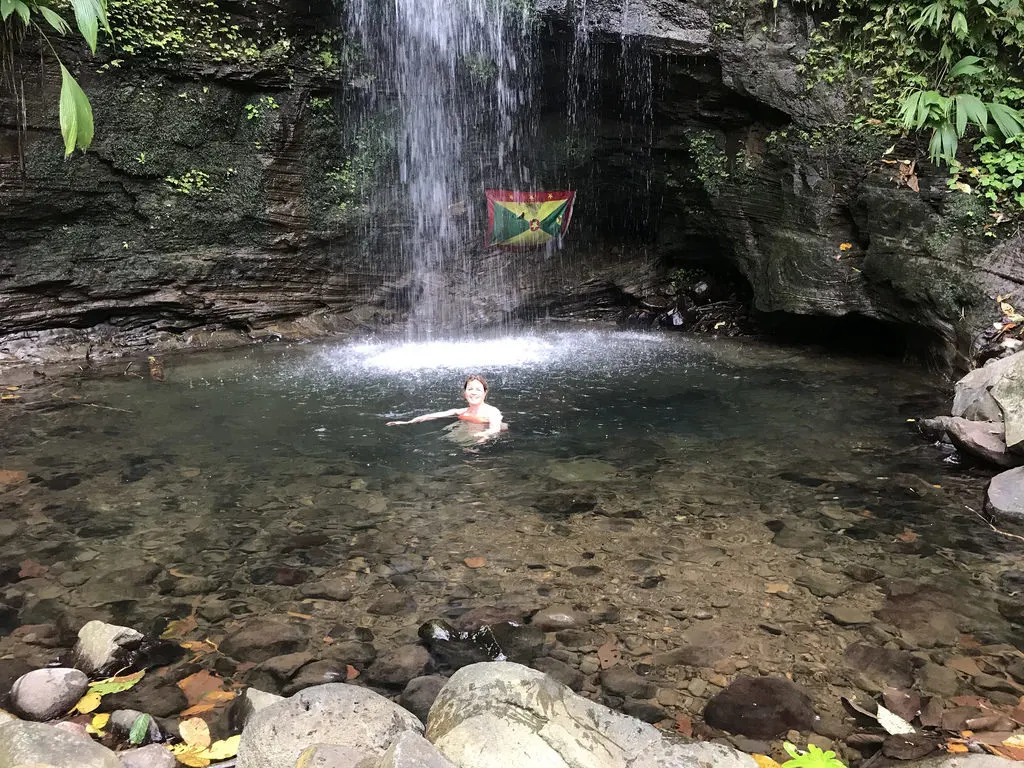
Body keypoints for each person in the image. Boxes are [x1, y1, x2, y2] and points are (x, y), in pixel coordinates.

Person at [386, 374, 504, 442]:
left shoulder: (492, 412)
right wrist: (407, 422)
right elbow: (432, 415)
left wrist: (484, 435)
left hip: (486, 439)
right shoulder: (462, 412)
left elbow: (495, 428)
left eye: (478, 389)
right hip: (472, 436)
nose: (474, 393)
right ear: (464, 393)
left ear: (485, 393)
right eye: (470, 389)